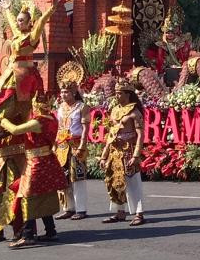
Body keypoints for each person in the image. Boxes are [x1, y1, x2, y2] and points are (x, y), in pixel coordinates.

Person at [0, 94, 68, 248]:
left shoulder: (39, 121)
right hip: (46, 160)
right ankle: (51, 231)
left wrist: (2, 119)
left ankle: (28, 234)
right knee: (44, 194)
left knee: (26, 196)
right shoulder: (52, 118)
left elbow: (15, 130)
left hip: (36, 163)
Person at [0, 74, 37, 243]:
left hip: (18, 155)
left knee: (18, 193)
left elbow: (14, 128)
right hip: (1, 156)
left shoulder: (25, 104)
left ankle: (21, 229)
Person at [101, 78, 146, 225]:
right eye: (116, 93)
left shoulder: (135, 112)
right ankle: (120, 211)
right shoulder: (114, 110)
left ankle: (139, 213)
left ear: (128, 94)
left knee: (133, 182)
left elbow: (140, 135)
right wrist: (104, 155)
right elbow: (111, 134)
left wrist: (136, 154)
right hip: (115, 151)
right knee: (114, 181)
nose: (117, 96)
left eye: (120, 93)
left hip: (129, 150)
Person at [54, 62, 90, 220]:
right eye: (62, 92)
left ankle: (80, 209)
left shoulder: (82, 107)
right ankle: (68, 207)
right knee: (63, 177)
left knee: (78, 177)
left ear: (74, 92)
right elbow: (57, 126)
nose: (63, 95)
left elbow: (85, 127)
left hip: (76, 145)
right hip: (61, 146)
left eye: (66, 92)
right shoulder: (60, 107)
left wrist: (83, 144)